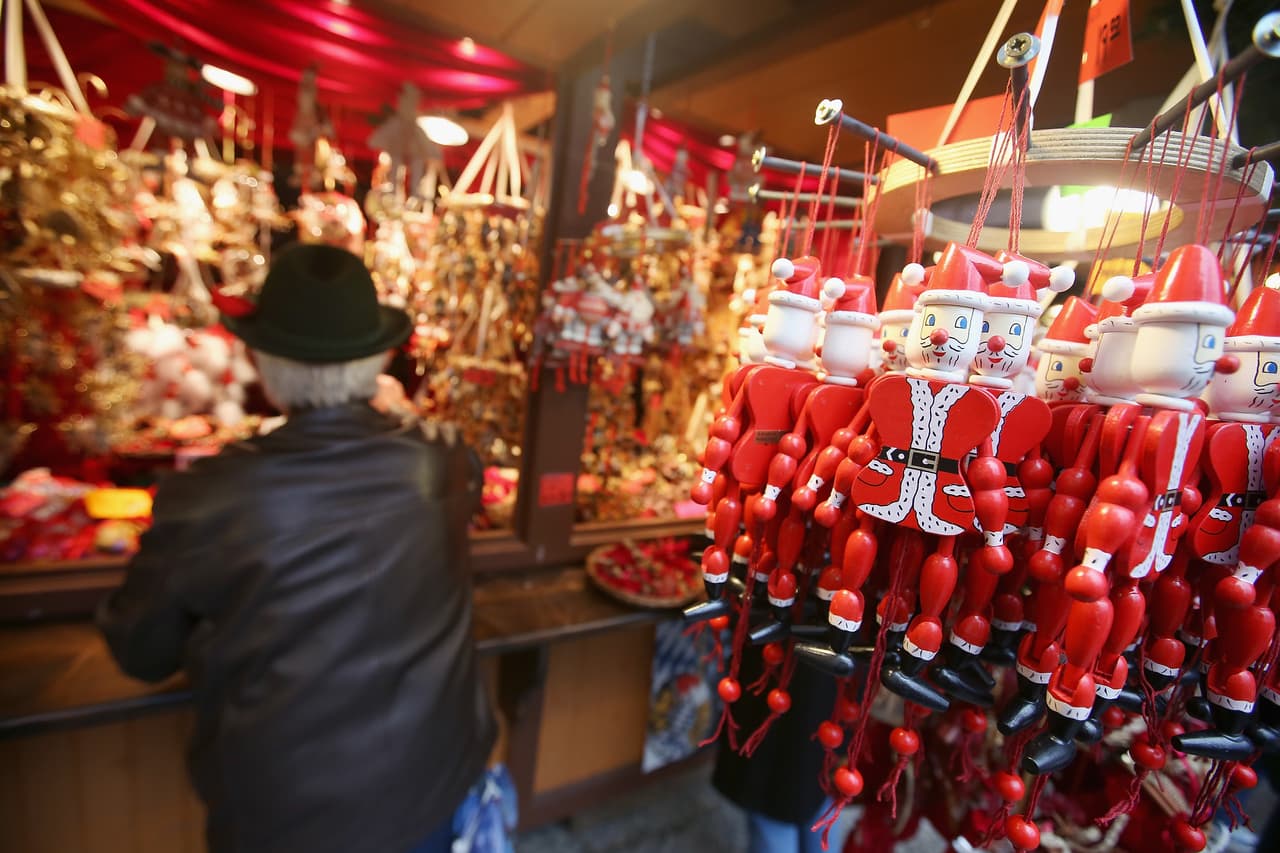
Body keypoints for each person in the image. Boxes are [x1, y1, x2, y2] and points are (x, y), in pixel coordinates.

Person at [98, 243, 495, 853]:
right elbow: (457, 465)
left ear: (262, 359)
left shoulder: (210, 494)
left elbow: (143, 649)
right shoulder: (441, 458)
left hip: (291, 818)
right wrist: (396, 413)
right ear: (380, 358)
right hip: (433, 788)